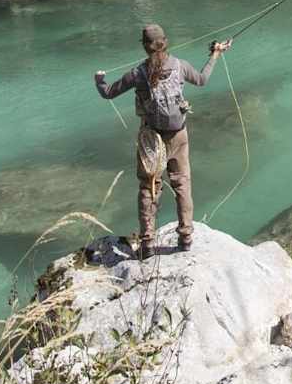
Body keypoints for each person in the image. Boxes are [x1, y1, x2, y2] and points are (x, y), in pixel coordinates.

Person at [95, 25, 230, 260]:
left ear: (145, 46)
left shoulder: (138, 73)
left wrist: (99, 80)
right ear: (165, 42)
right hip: (178, 135)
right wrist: (215, 55)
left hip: (151, 139)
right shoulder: (180, 65)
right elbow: (202, 79)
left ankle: (147, 243)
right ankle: (186, 238)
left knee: (149, 187)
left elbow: (108, 93)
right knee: (182, 184)